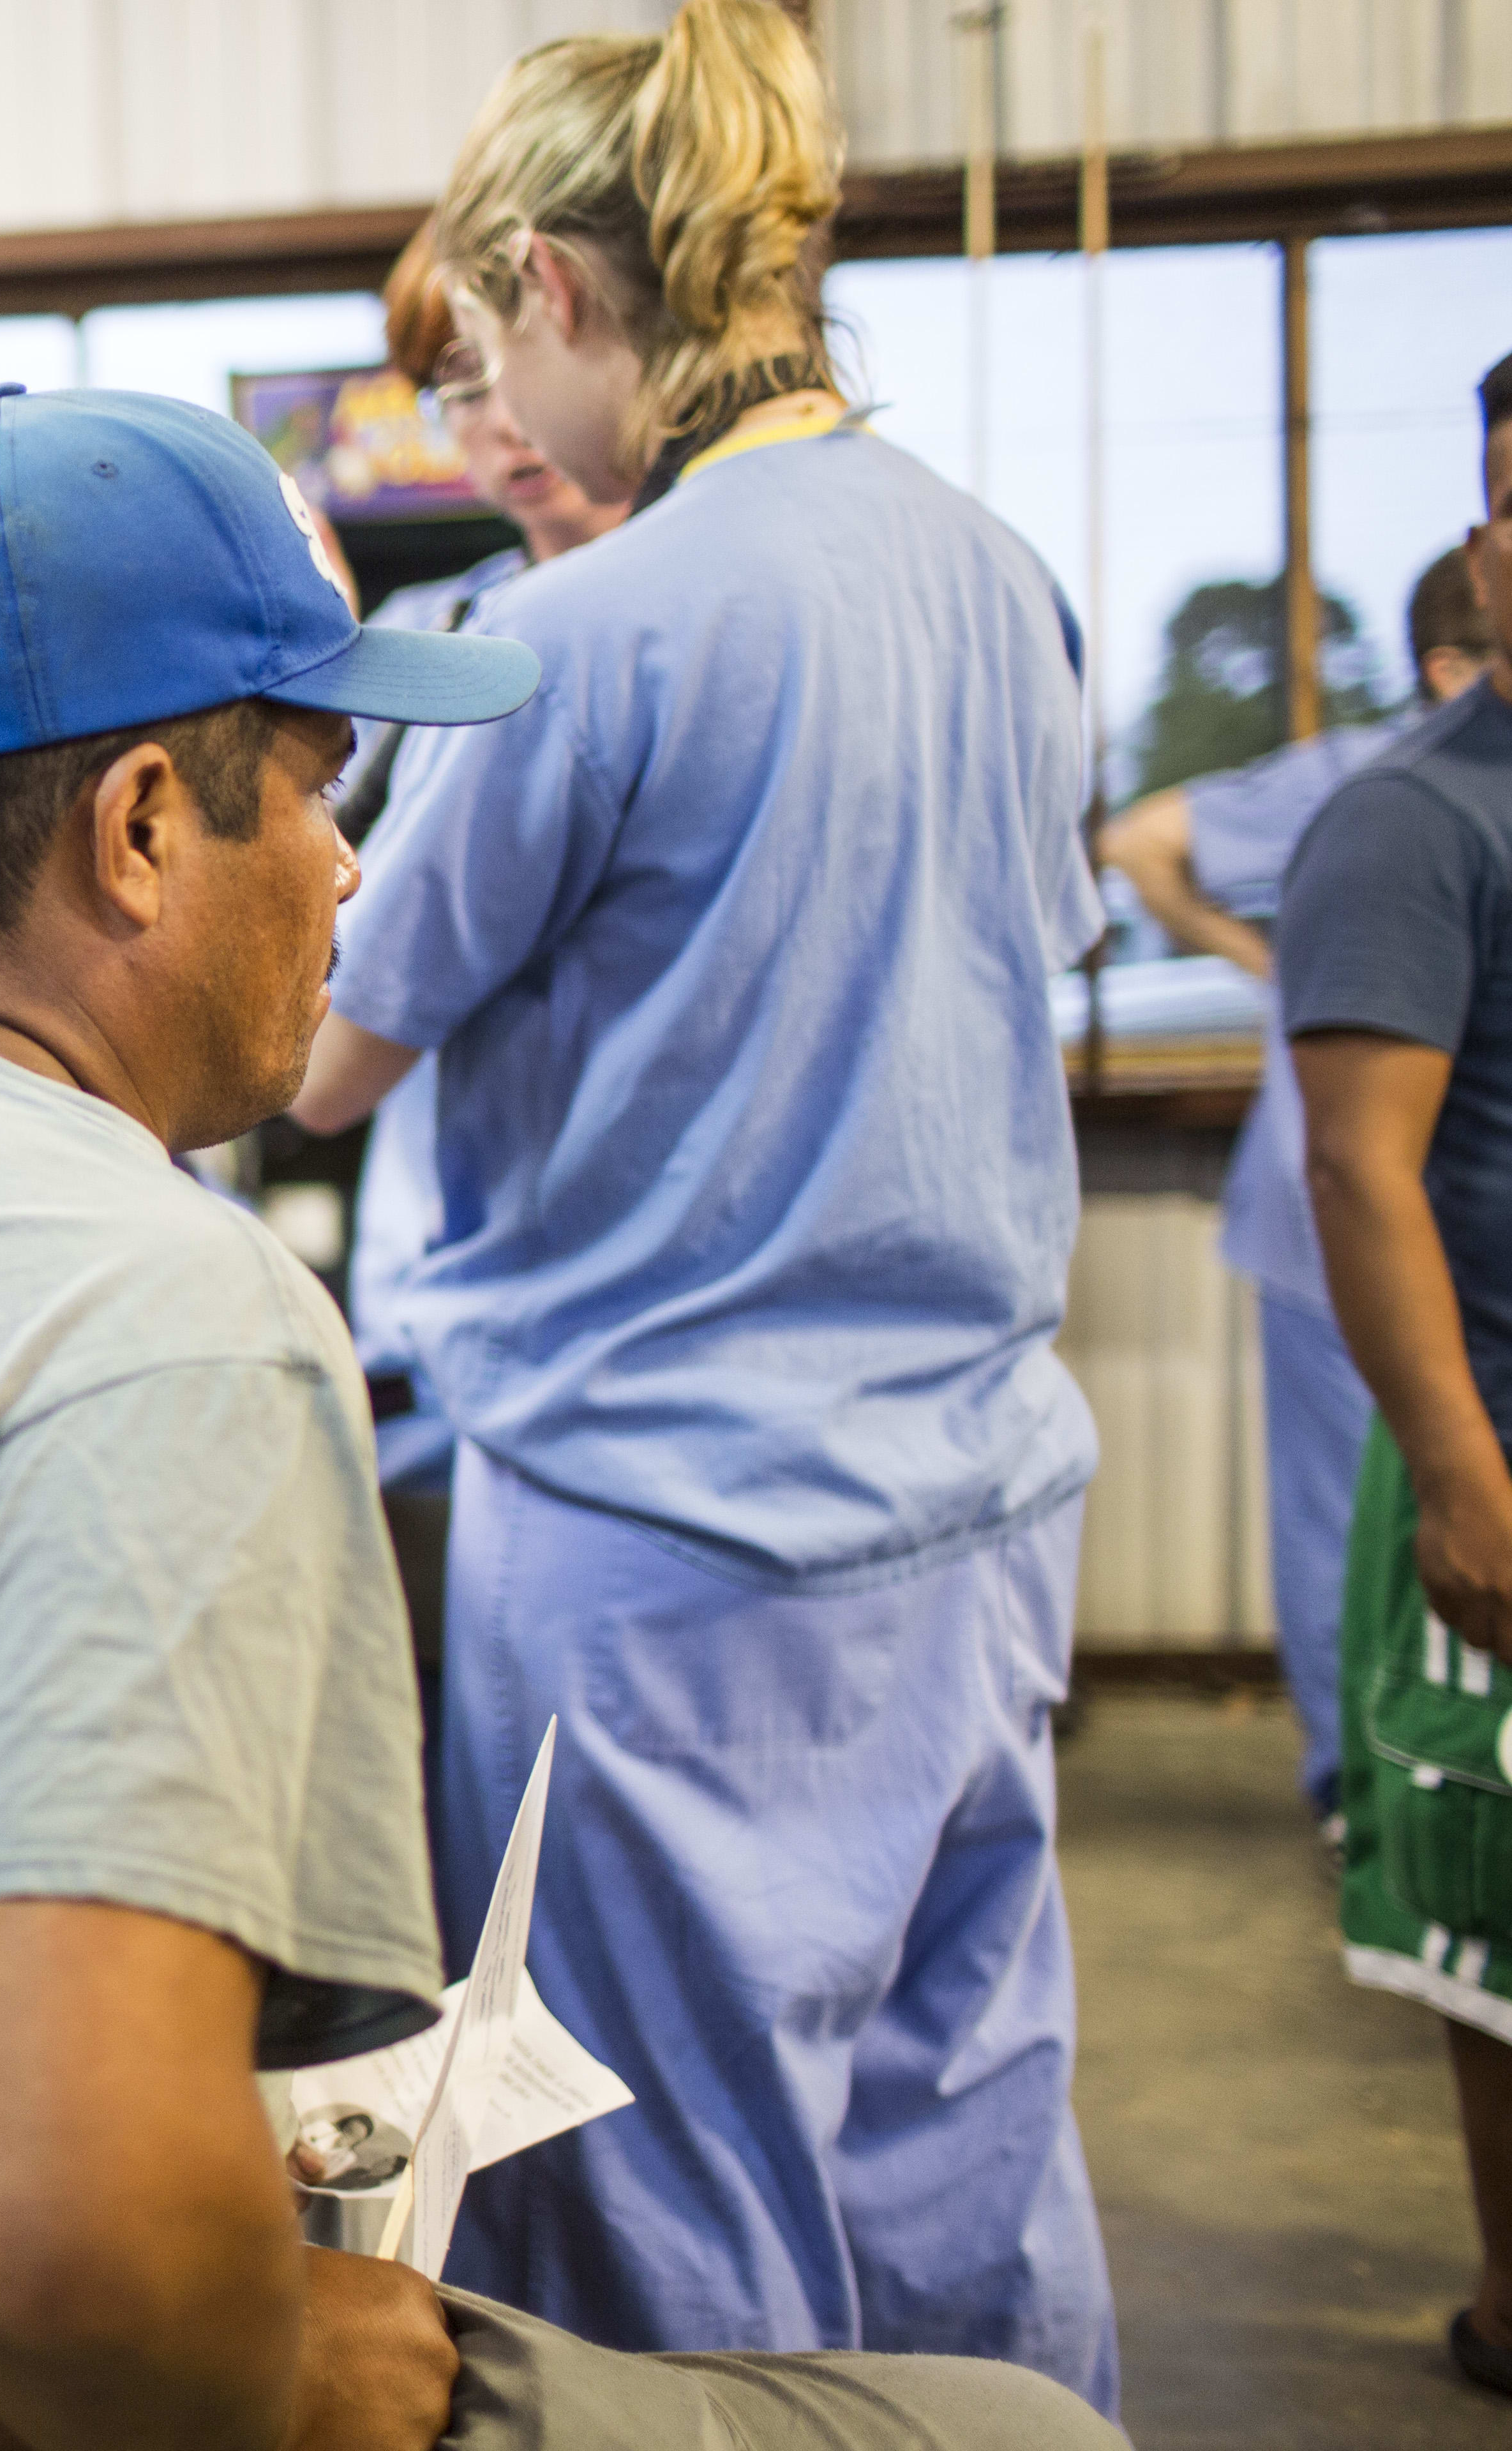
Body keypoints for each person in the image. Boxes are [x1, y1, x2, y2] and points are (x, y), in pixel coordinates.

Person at [0, 384, 1120, 2451]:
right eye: (319, 792)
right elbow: (81, 2259)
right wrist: (286, 2373)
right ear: (138, 831)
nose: (349, 870)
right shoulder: (171, 1331)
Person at [286, 0, 1116, 2404]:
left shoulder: (570, 644)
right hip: (970, 1529)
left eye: (476, 364)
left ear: (549, 285)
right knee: (961, 2146)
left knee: (660, 2216)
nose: (487, 436)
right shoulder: (1001, 582)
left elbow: (319, 1047)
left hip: (666, 1567)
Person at [1098, 546, 1498, 1819]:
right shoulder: (1378, 785)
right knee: (1353, 1524)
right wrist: (1269, 962)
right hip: (1342, 1227)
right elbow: (1138, 838)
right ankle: (1356, 1798)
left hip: (1441, 1227)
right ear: (1450, 667)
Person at [1284, 345, 1512, 2404]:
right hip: (1498, 1440)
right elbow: (1363, 1171)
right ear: (1486, 546)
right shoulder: (1412, 826)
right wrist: (1459, 1470)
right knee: (1498, 1918)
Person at [340, 227, 628, 1499]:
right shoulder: (428, 640)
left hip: (628, 1309)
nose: (504, 420)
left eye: (523, 362)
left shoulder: (685, 621)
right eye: (460, 383)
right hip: (433, 1297)